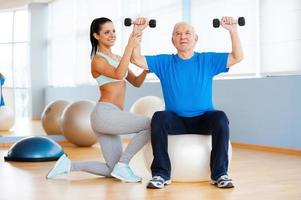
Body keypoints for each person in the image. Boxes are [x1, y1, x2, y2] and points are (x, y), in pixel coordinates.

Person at [130, 17, 243, 189]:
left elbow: (237, 56)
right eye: (178, 33)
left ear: (195, 39)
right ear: (172, 40)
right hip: (176, 120)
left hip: (204, 119)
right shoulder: (164, 62)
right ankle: (161, 174)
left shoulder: (207, 60)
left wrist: (233, 31)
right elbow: (136, 59)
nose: (183, 36)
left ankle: (220, 174)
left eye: (187, 33)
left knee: (220, 117)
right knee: (159, 117)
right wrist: (136, 33)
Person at [46, 17, 151, 183]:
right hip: (104, 114)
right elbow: (119, 74)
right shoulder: (98, 60)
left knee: (112, 169)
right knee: (153, 123)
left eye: (114, 31)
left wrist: (145, 70)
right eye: (107, 32)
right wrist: (130, 45)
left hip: (111, 116)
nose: (112, 35)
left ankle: (68, 166)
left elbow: (136, 82)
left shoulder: (117, 58)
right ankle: (124, 164)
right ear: (96, 35)